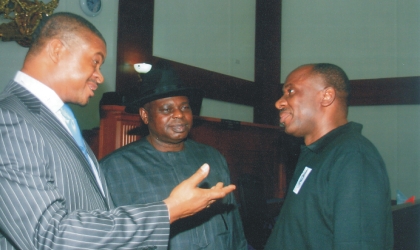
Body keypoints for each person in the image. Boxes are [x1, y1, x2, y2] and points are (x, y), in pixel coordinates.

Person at [0, 12, 235, 250]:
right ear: (57, 50)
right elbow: (48, 236)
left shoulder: (51, 119)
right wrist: (169, 210)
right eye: (95, 61)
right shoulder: (8, 118)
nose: (100, 76)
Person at [100, 63, 248, 250]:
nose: (179, 114)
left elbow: (235, 231)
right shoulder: (115, 168)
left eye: (185, 107)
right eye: (167, 109)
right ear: (145, 116)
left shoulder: (212, 157)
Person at [264, 63, 394, 249]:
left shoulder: (352, 157)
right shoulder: (316, 154)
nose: (279, 102)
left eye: (290, 91)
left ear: (326, 96)